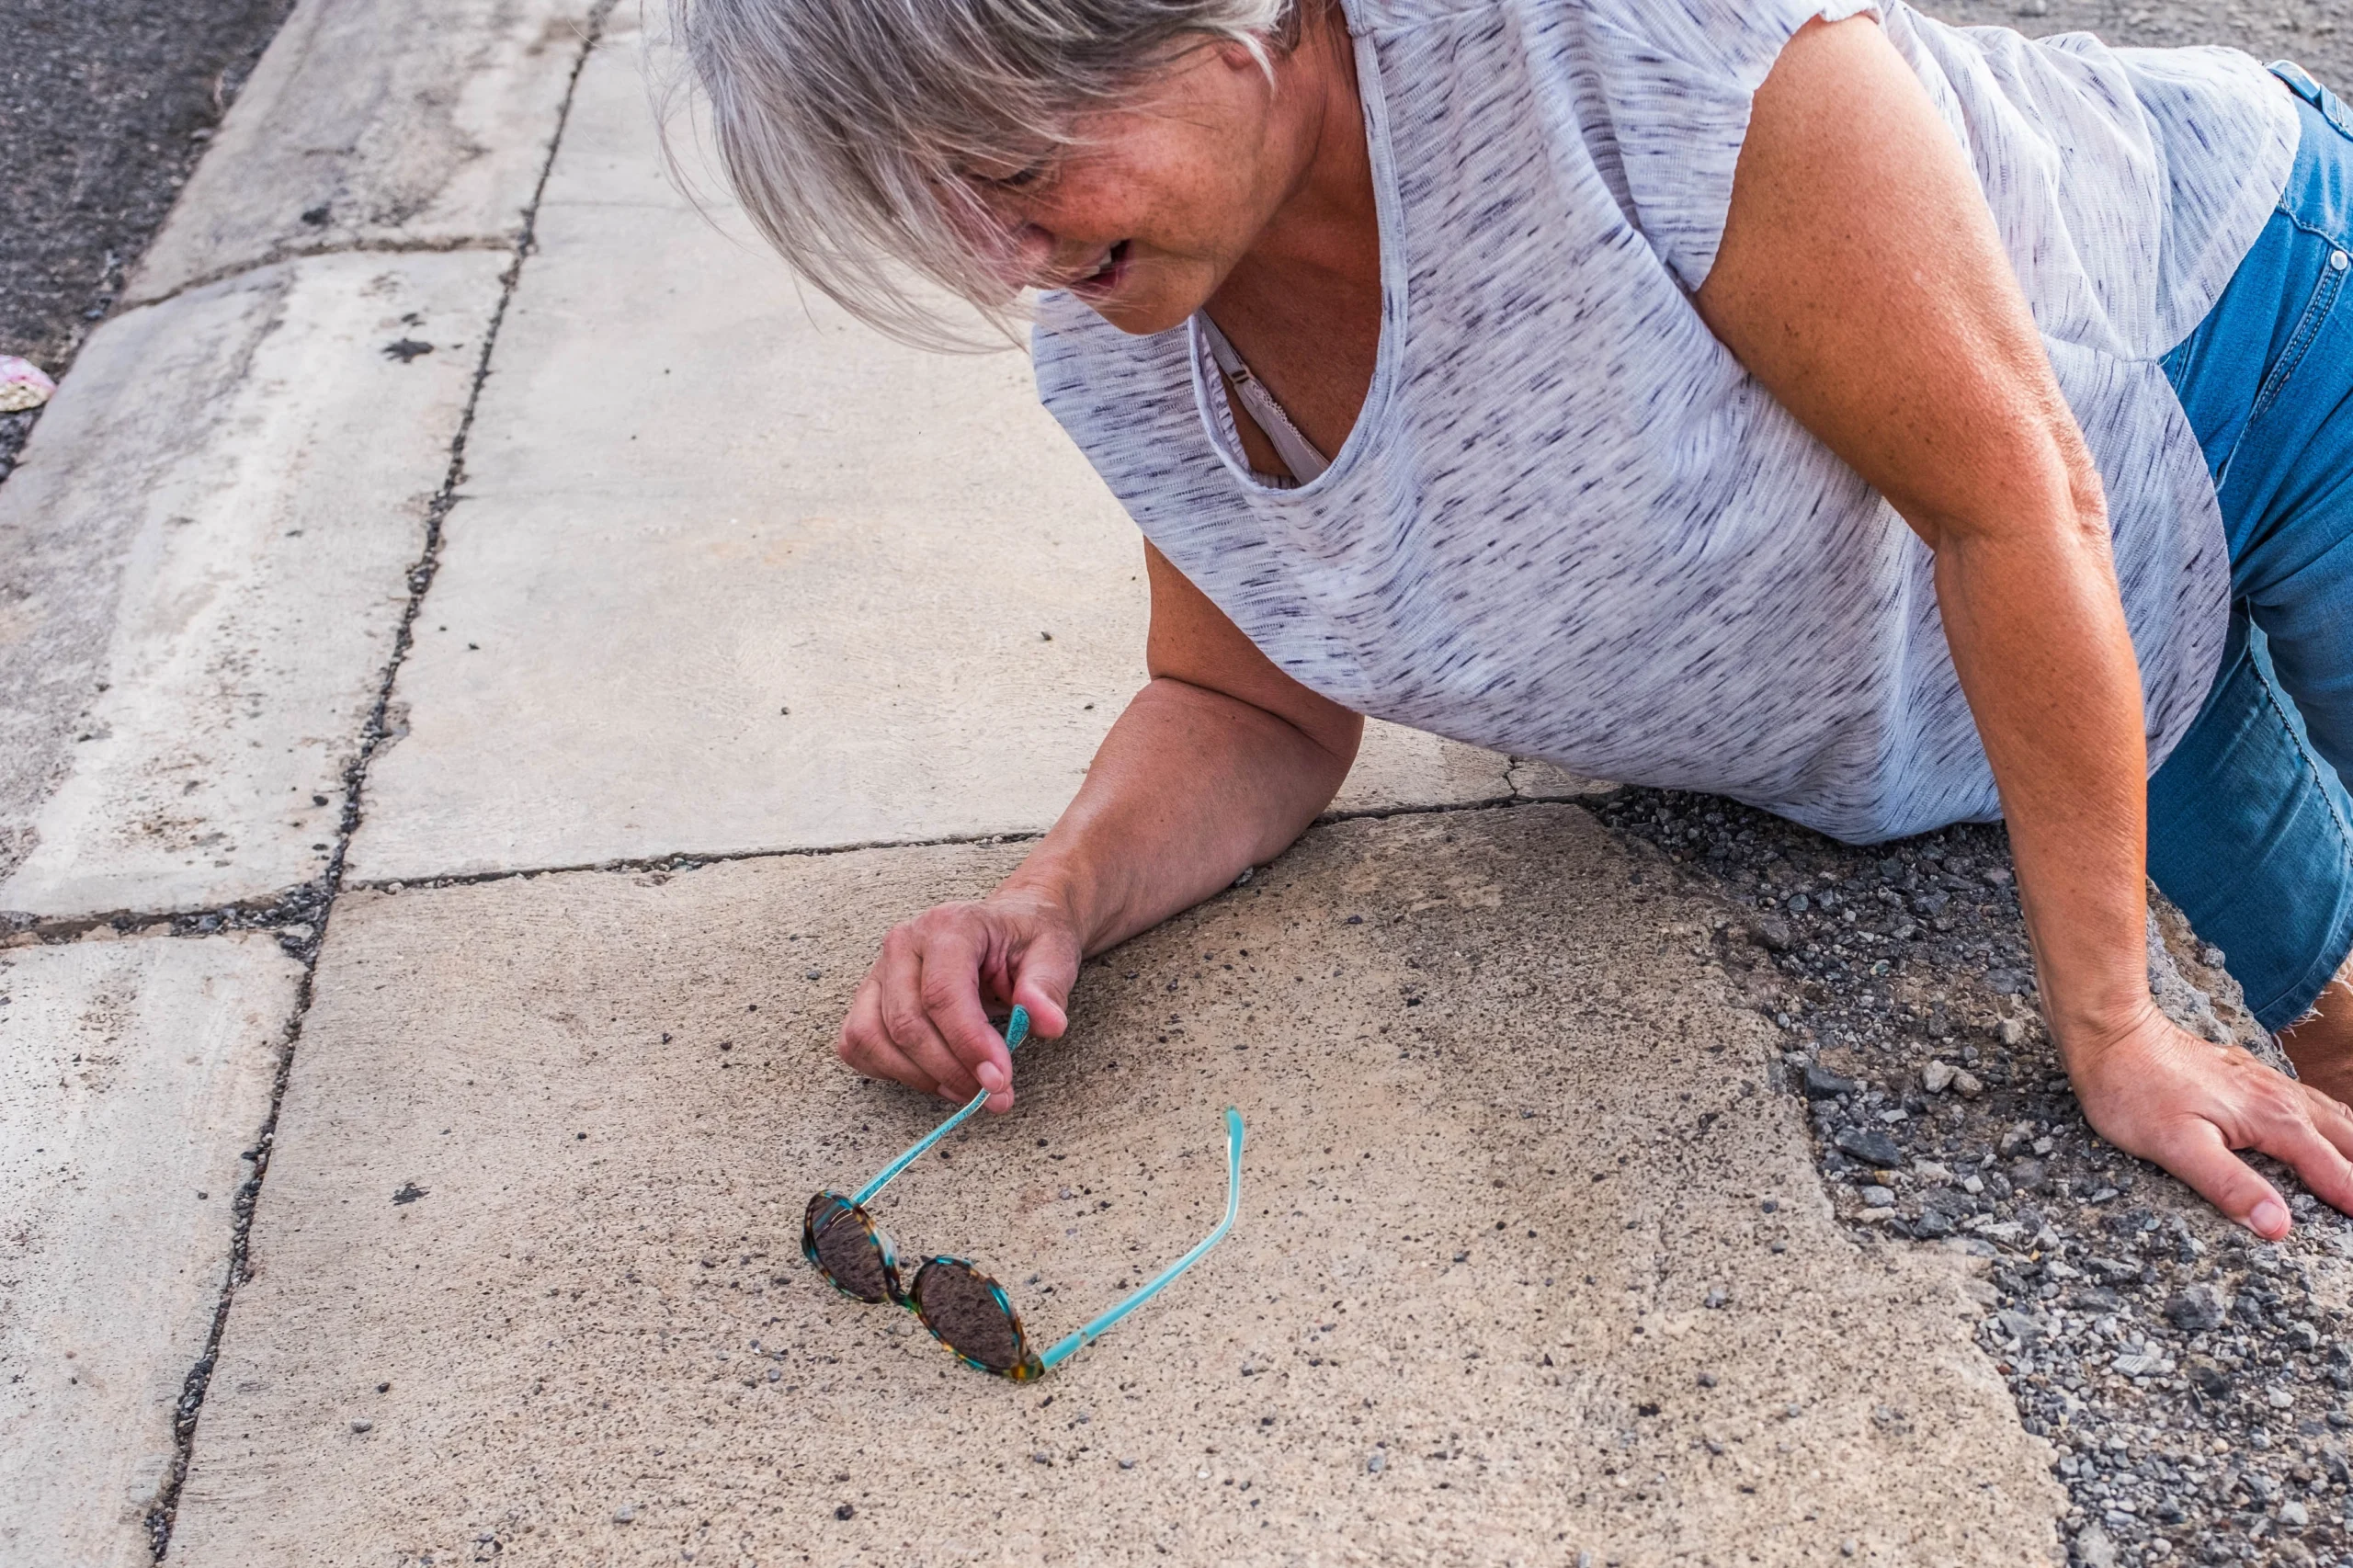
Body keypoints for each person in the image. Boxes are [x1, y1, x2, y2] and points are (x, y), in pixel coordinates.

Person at [672, 0, 2353, 1238]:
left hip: (2257, 344)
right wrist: (1049, 897)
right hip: (2029, 612)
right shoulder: (1129, 319)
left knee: (2283, 1053)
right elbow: (1250, 706)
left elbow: (2009, 495)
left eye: (1017, 162)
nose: (998, 253)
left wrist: (2111, 1025)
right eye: (935, 191)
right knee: (2321, 1040)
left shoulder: (1611, 40)